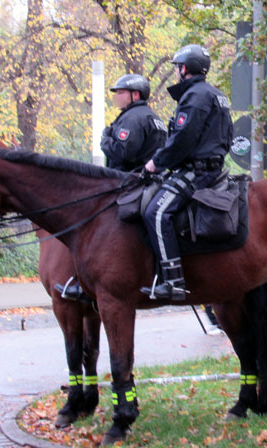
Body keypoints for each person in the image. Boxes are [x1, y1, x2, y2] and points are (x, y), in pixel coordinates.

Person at [56, 74, 166, 301]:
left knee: (84, 221)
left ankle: (83, 281)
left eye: (120, 92)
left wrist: (105, 139)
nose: (116, 97)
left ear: (135, 95)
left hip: (127, 183)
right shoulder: (154, 117)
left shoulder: (132, 118)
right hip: (151, 183)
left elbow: (123, 151)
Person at [140, 44, 233, 301]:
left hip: (197, 172)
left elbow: (183, 138)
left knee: (156, 212)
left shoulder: (194, 96)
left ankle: (174, 282)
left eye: (177, 68)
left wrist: (155, 163)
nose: (177, 73)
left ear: (184, 68)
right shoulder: (217, 95)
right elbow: (229, 136)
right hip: (214, 168)